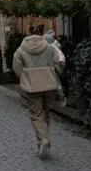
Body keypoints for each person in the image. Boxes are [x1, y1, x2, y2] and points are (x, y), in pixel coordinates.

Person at [13, 28, 65, 158]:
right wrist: (55, 73)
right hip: (49, 85)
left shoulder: (21, 50)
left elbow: (17, 68)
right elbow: (58, 63)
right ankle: (42, 143)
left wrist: (24, 77)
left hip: (32, 86)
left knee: (36, 115)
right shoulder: (49, 48)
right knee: (45, 113)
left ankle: (43, 140)